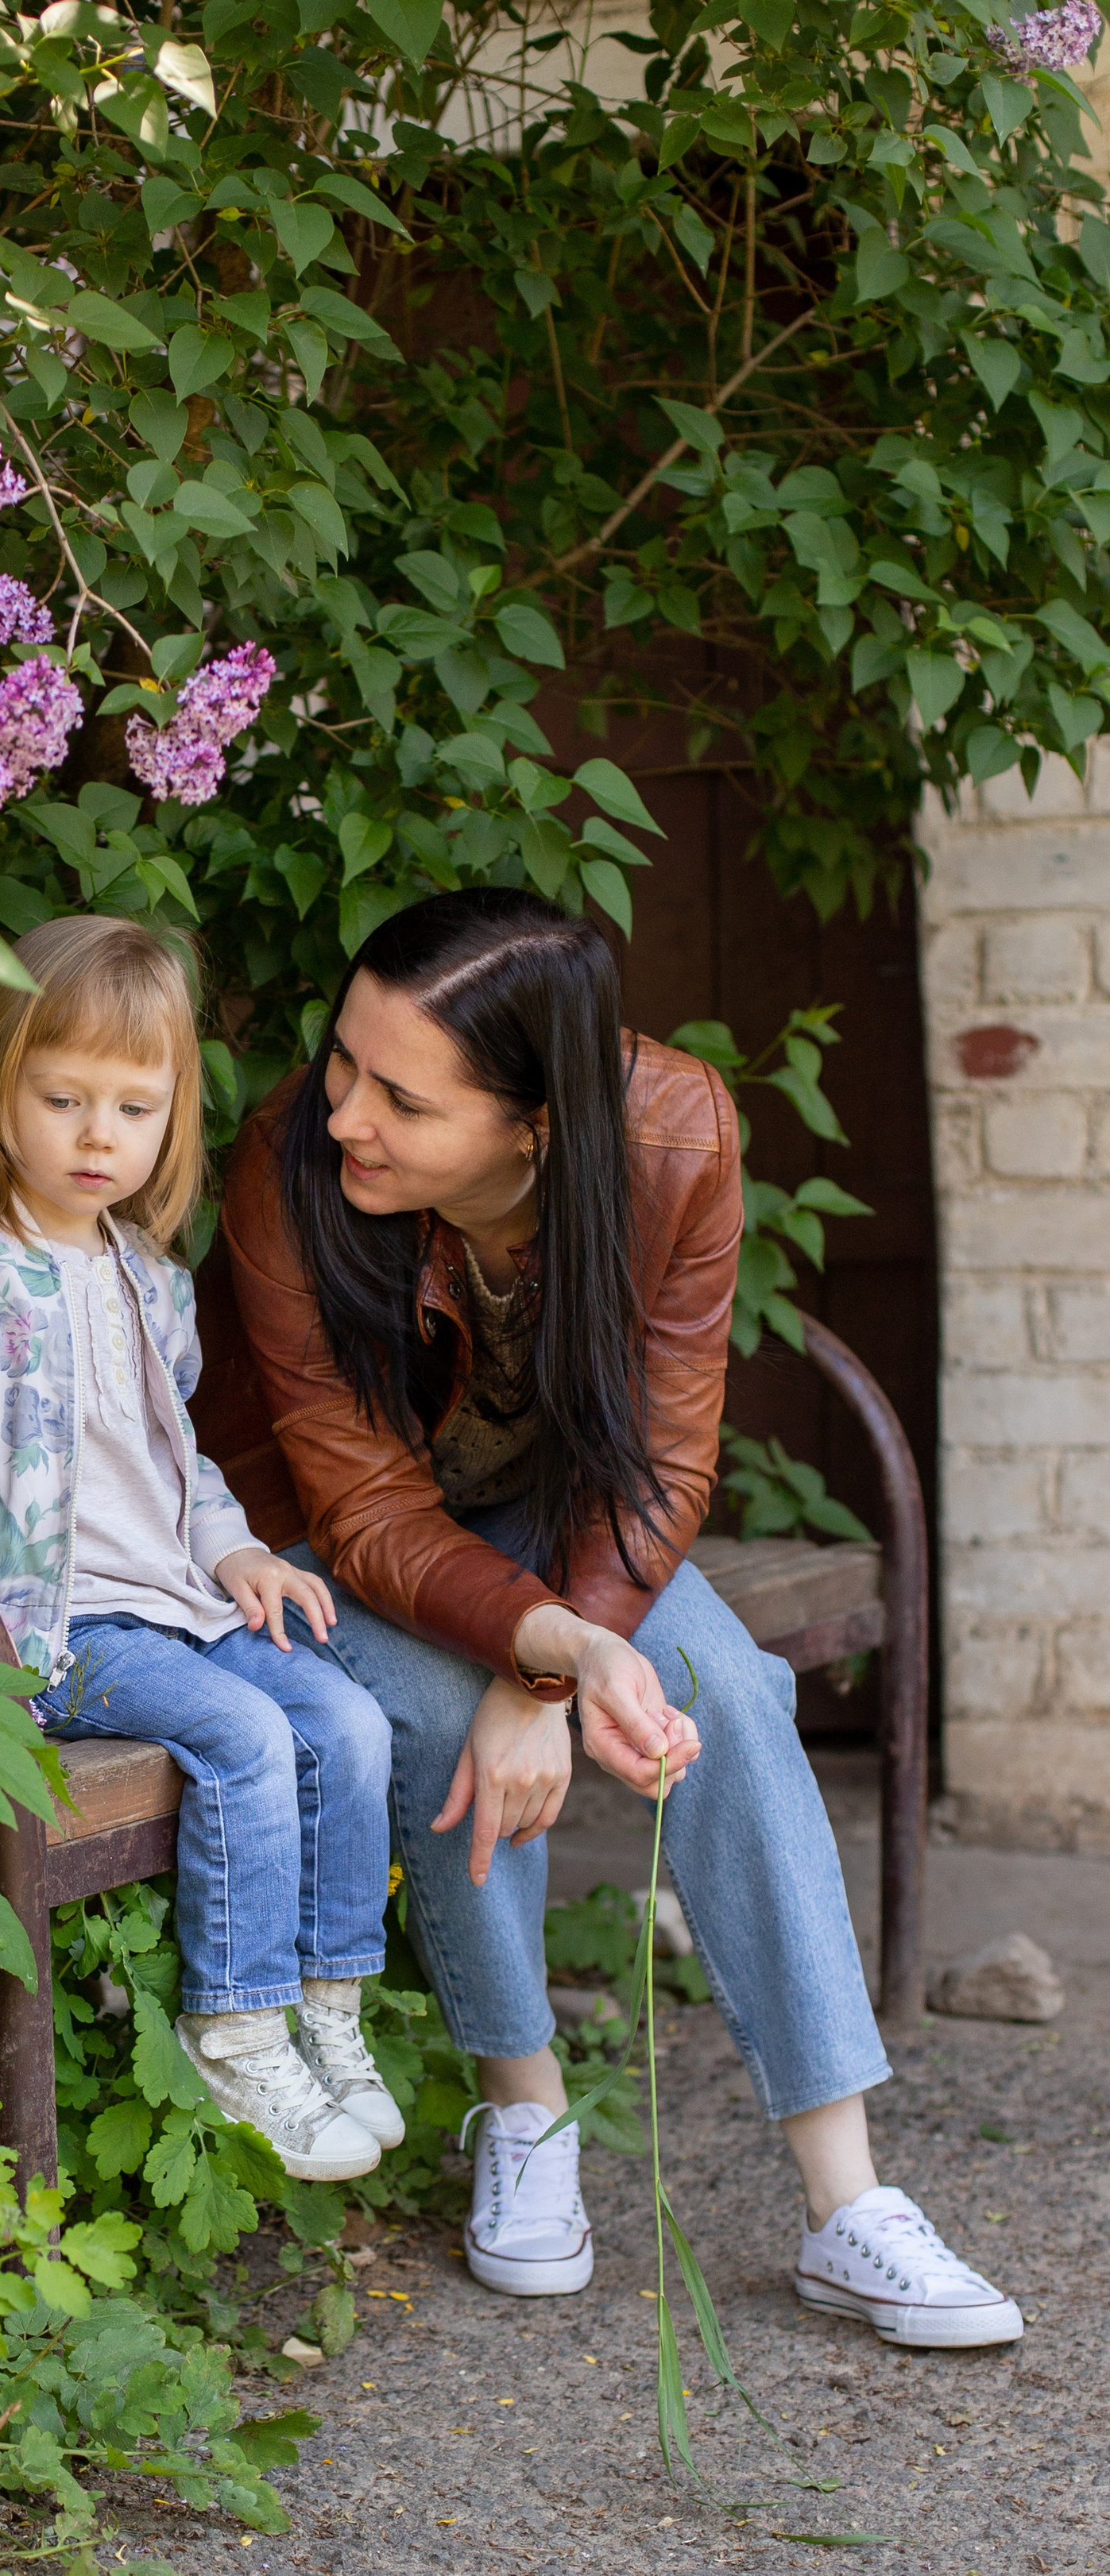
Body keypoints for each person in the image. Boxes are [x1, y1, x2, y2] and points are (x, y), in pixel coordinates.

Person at [193, 886, 1021, 2349]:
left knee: (739, 1696)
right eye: (342, 1062)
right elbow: (365, 1509)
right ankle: (524, 2116)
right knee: (451, 1716)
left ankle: (849, 2207)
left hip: (566, 1538)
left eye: (403, 1097)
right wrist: (544, 1654)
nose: (344, 1117)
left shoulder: (678, 1132)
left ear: (534, 1125)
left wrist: (560, 1656)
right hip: (319, 1543)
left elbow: (666, 1458)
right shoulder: (286, 1168)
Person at [0, 914, 400, 2181]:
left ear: (169, 1121)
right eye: (65, 1097)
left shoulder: (149, 1278)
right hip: (45, 1630)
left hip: (179, 1604)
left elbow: (174, 1458)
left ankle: (329, 2012)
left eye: (134, 1109)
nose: (99, 1136)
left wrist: (237, 1550)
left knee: (349, 1724)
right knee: (245, 1739)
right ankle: (235, 2030)